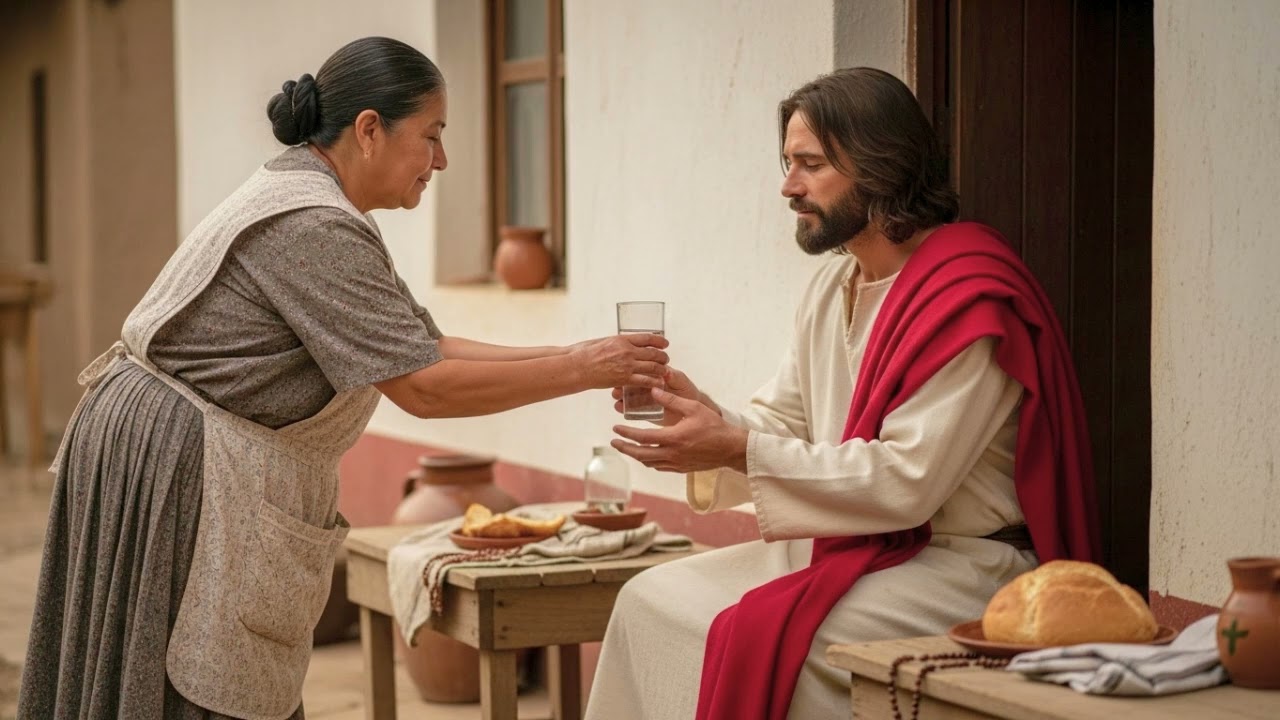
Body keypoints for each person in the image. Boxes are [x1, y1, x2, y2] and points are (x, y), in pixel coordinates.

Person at [18, 37, 667, 720]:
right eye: (432, 135)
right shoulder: (313, 226)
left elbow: (429, 345)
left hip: (155, 443)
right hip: (176, 462)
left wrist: (582, 356)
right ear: (367, 130)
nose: (441, 160)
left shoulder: (316, 201)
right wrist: (580, 370)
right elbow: (423, 386)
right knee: (191, 681)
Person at [586, 67, 1099, 719]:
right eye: (787, 162)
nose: (787, 186)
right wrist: (706, 425)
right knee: (648, 602)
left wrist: (734, 446)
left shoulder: (970, 300)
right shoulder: (834, 286)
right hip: (855, 550)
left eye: (810, 165)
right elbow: (784, 421)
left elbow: (908, 479)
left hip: (962, 565)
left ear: (879, 167)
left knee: (786, 642)